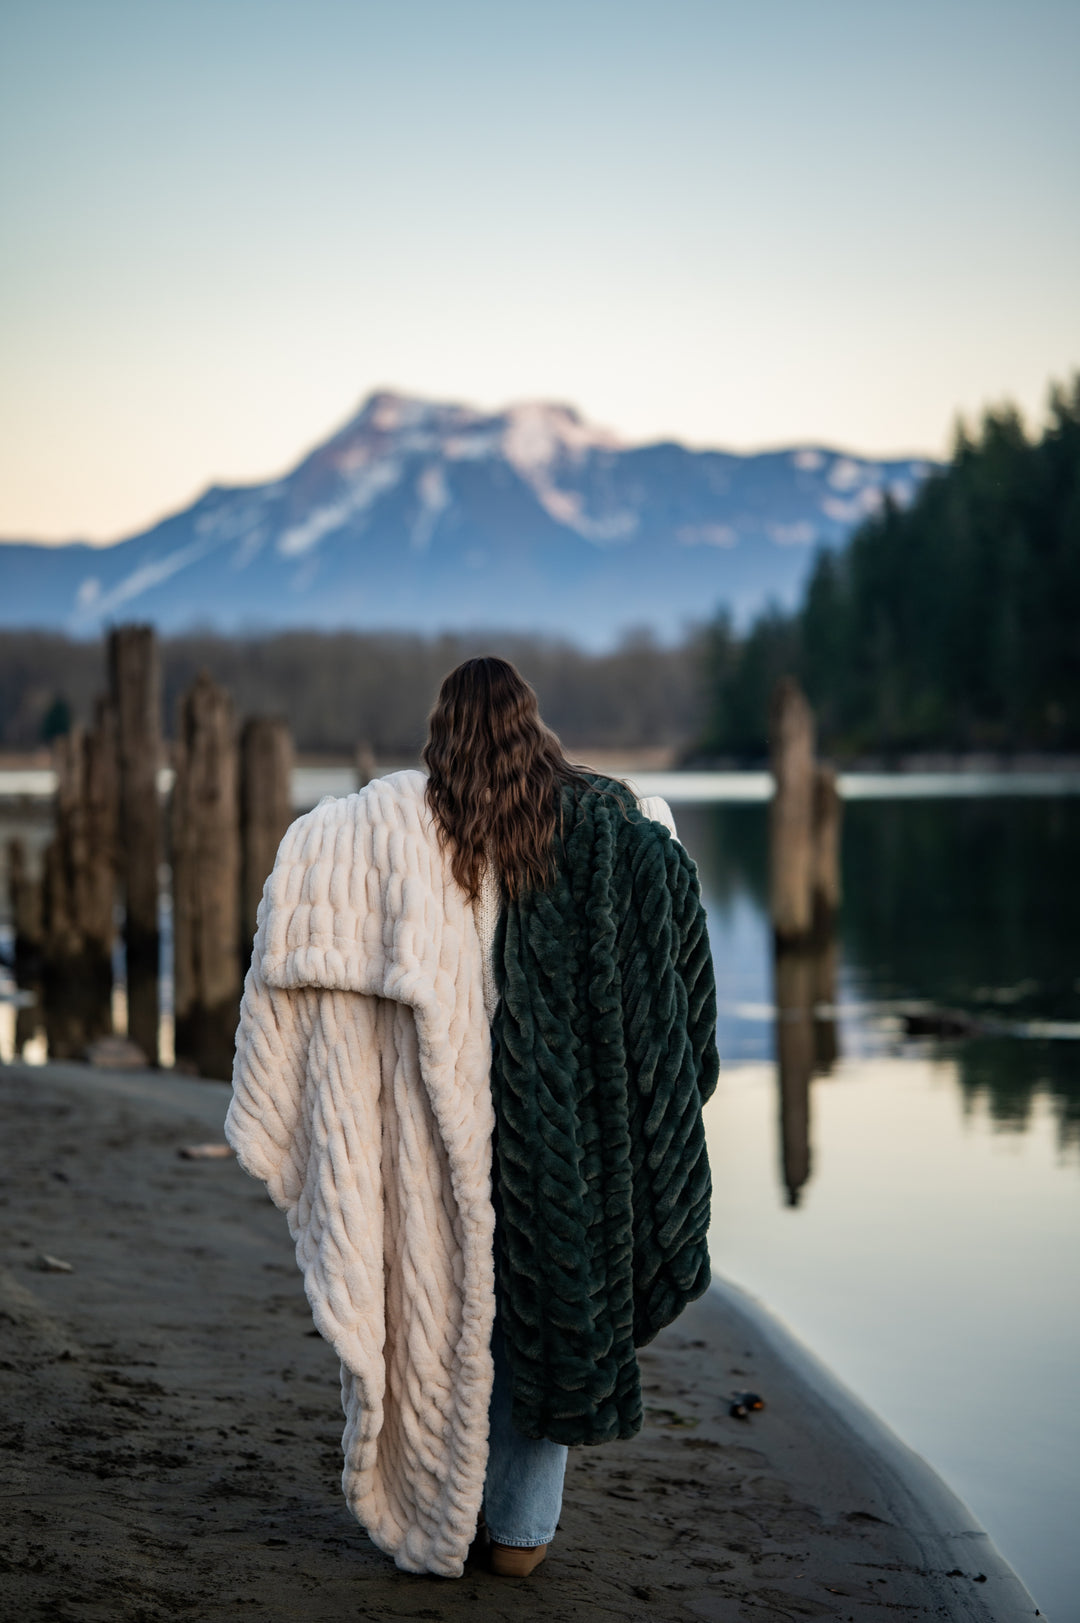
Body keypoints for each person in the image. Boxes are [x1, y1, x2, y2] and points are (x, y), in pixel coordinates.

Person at [227, 656, 718, 1580]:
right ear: (536, 729)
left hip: (444, 1119)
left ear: (441, 734)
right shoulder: (608, 825)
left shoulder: (399, 828)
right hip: (564, 1126)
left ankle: (449, 1495)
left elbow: (310, 885)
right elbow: (682, 982)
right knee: (552, 1301)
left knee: (454, 1309)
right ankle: (519, 1531)